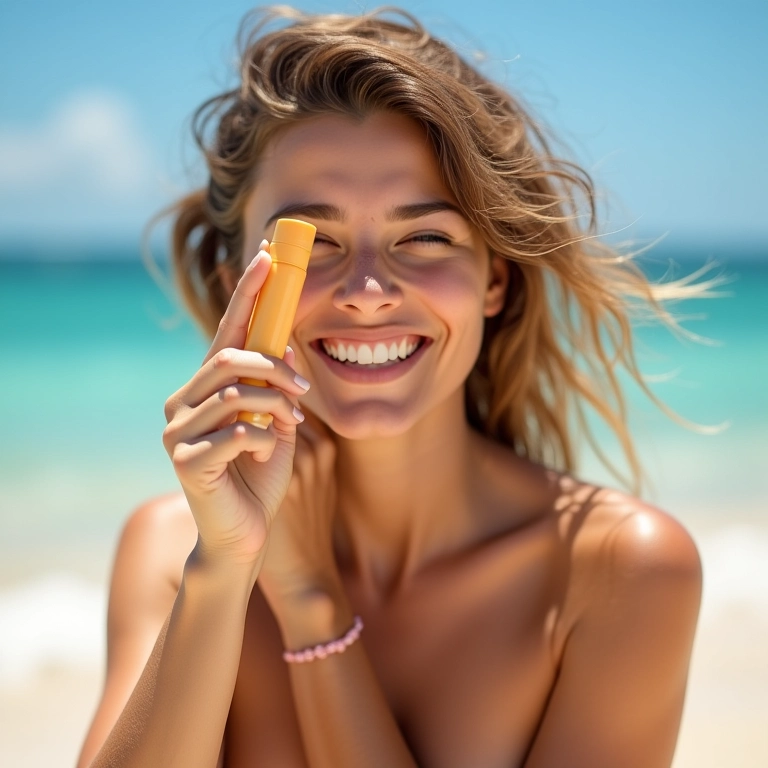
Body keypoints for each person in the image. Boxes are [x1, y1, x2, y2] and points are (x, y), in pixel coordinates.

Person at [77, 7, 719, 767]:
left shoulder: (616, 570)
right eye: (308, 243)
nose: (369, 289)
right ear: (235, 290)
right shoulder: (172, 550)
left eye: (426, 237)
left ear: (494, 281)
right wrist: (224, 567)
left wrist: (314, 603)